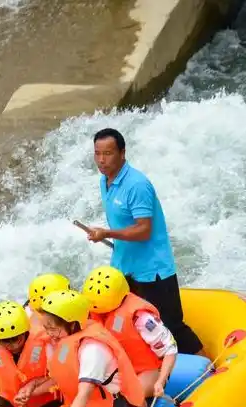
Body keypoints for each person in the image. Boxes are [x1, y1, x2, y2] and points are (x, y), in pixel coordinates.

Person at [87, 127, 203, 355]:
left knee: (171, 326)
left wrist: (106, 234)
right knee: (131, 325)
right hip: (125, 267)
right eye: (97, 153)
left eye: (108, 153)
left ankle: (208, 368)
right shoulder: (105, 180)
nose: (102, 160)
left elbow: (144, 230)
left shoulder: (137, 185)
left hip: (153, 270)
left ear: (122, 153)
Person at [39, 290, 146, 407]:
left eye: (53, 328)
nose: (50, 334)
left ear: (72, 324)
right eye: (46, 328)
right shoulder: (68, 341)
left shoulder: (93, 348)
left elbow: (84, 393)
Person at [82, 265, 177, 397]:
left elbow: (169, 348)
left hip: (145, 371)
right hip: (113, 371)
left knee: (134, 394)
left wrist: (161, 381)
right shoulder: (90, 313)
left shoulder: (141, 317)